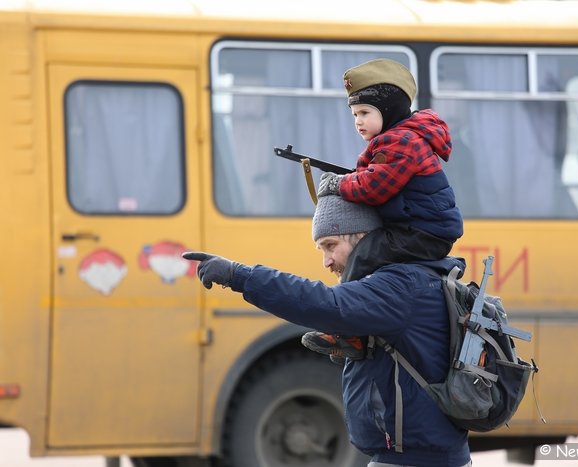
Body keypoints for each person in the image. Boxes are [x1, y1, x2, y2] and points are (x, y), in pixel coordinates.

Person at [182, 194, 471, 467]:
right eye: (321, 249)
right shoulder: (402, 280)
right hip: (411, 455)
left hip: (418, 460)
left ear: (362, 237)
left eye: (331, 245)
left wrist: (239, 276)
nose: (326, 261)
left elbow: (325, 303)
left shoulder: (398, 285)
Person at [301, 58, 463, 363]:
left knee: (364, 252)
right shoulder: (394, 141)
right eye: (354, 114)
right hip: (415, 228)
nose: (358, 121)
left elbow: (374, 187)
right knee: (372, 258)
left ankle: (345, 328)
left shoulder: (401, 142)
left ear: (388, 111)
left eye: (364, 112)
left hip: (424, 232)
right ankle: (359, 333)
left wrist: (338, 185)